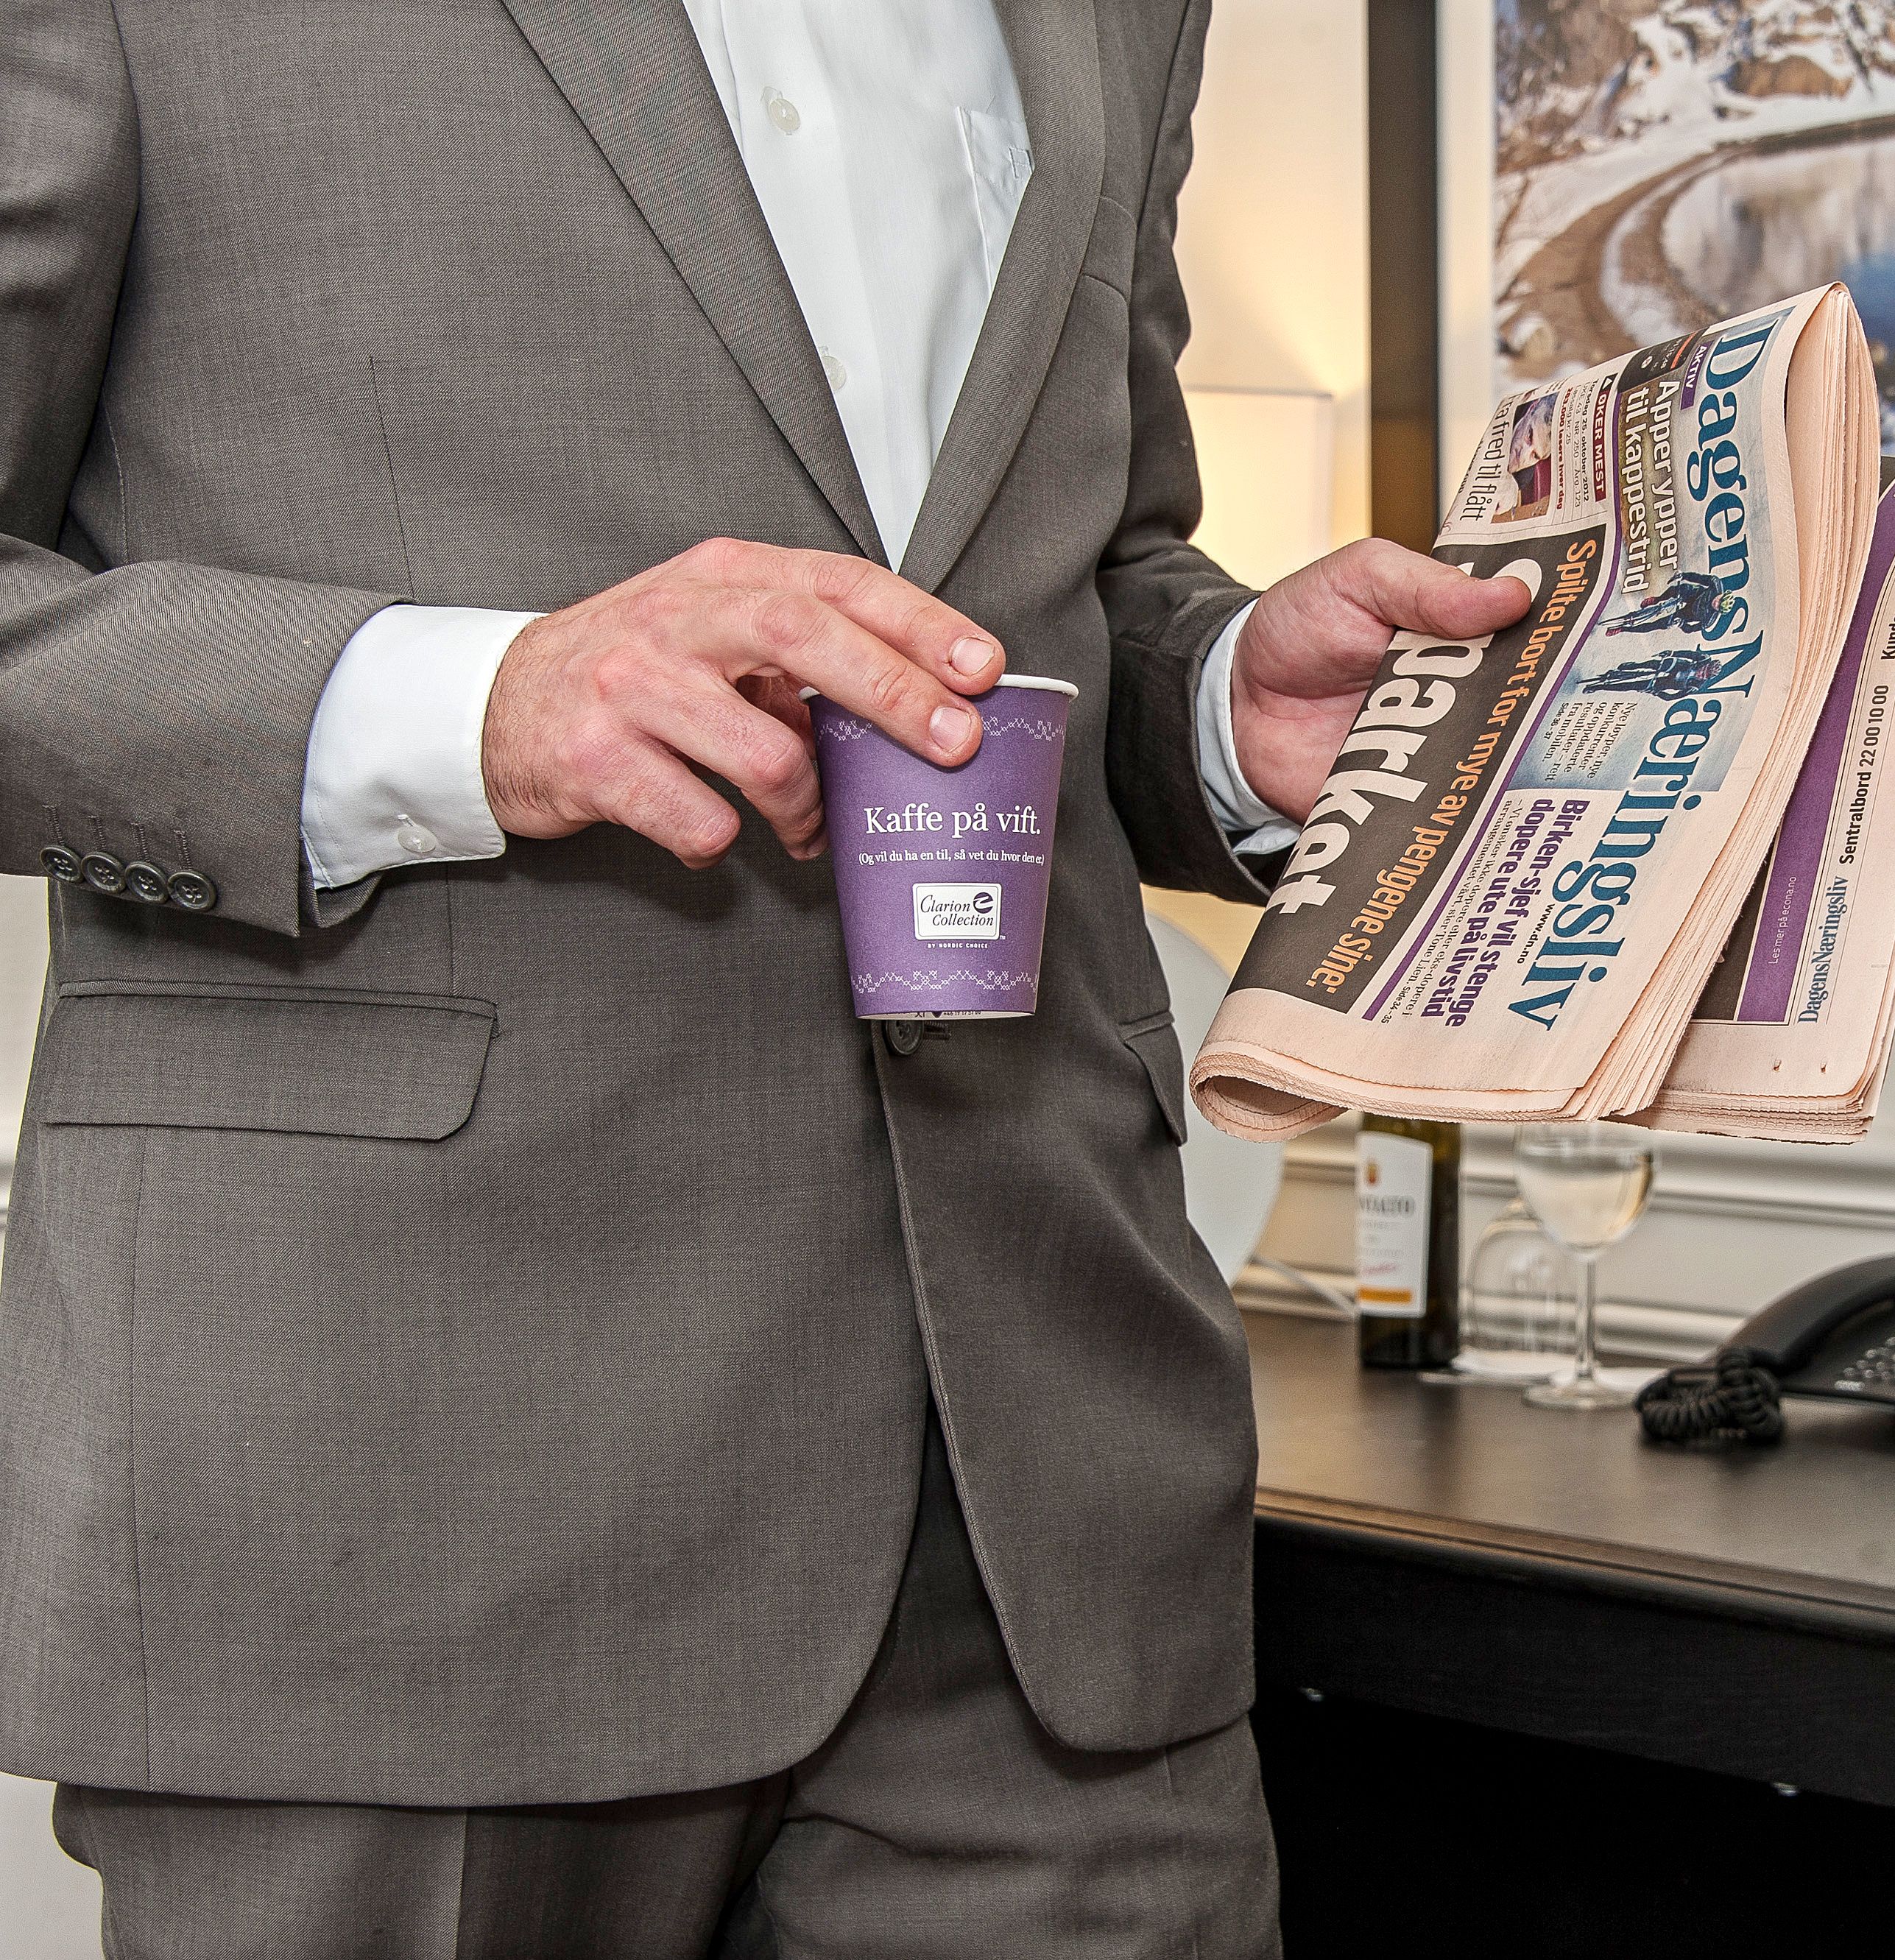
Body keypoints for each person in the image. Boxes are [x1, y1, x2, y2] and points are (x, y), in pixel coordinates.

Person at [0, 2, 1528, 1951]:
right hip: (405, 1484)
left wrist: (1223, 703)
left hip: (1054, 1501)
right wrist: (469, 703)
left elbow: (1062, 586)